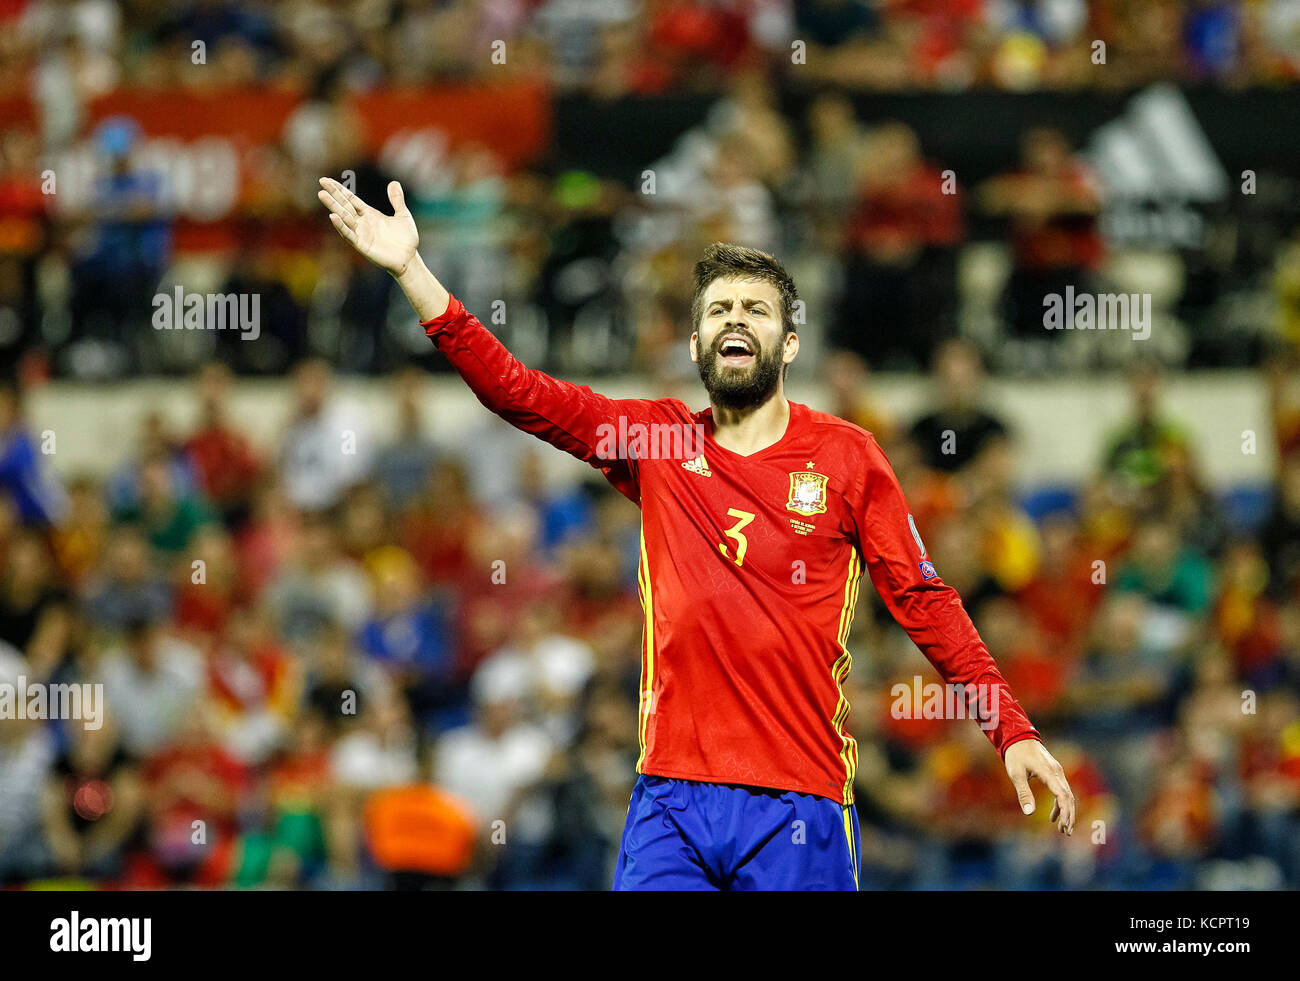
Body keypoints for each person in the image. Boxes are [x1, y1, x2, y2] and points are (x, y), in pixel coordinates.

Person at [317, 177, 1076, 892]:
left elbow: (924, 598)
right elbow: (518, 391)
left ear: (788, 345)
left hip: (799, 799)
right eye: (718, 310)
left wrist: (1010, 729)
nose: (735, 320)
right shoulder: (657, 443)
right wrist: (414, 273)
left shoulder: (847, 456)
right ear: (695, 346)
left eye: (755, 309)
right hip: (670, 799)